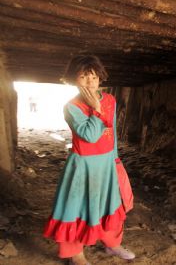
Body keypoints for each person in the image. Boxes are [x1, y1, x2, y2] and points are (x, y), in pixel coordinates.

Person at [43, 55, 135, 265]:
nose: (90, 81)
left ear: (100, 77)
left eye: (93, 76)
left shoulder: (110, 100)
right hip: (82, 166)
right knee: (76, 208)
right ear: (74, 79)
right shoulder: (72, 107)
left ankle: (112, 244)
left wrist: (116, 160)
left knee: (110, 206)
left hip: (106, 164)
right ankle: (76, 254)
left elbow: (111, 134)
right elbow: (90, 135)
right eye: (84, 76)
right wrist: (96, 109)